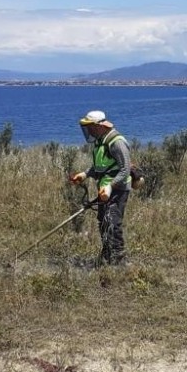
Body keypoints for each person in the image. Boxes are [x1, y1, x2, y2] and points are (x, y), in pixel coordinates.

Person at [69, 110, 132, 265]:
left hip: (118, 189)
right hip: (104, 188)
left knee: (112, 222)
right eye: (87, 127)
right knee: (103, 222)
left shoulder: (116, 142)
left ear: (100, 126)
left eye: (90, 127)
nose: (89, 130)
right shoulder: (100, 142)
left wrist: (110, 186)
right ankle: (107, 256)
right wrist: (84, 174)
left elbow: (125, 170)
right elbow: (99, 167)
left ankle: (118, 260)